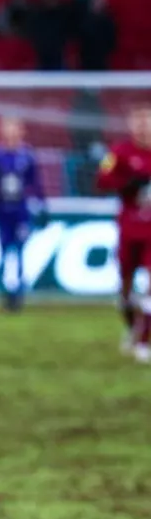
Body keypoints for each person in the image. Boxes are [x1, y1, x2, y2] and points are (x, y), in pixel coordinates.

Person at [94, 104, 151, 362]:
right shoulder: (119, 152)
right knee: (125, 290)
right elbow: (101, 180)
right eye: (139, 122)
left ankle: (144, 342)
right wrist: (127, 183)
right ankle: (132, 327)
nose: (143, 128)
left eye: (147, 122)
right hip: (129, 229)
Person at [0, 116, 46, 312]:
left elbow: (36, 183)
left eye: (14, 129)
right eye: (7, 129)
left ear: (21, 131)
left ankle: (18, 293)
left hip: (21, 211)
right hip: (1, 210)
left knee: (19, 250)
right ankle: (4, 291)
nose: (11, 133)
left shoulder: (27, 155)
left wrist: (42, 206)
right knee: (4, 251)